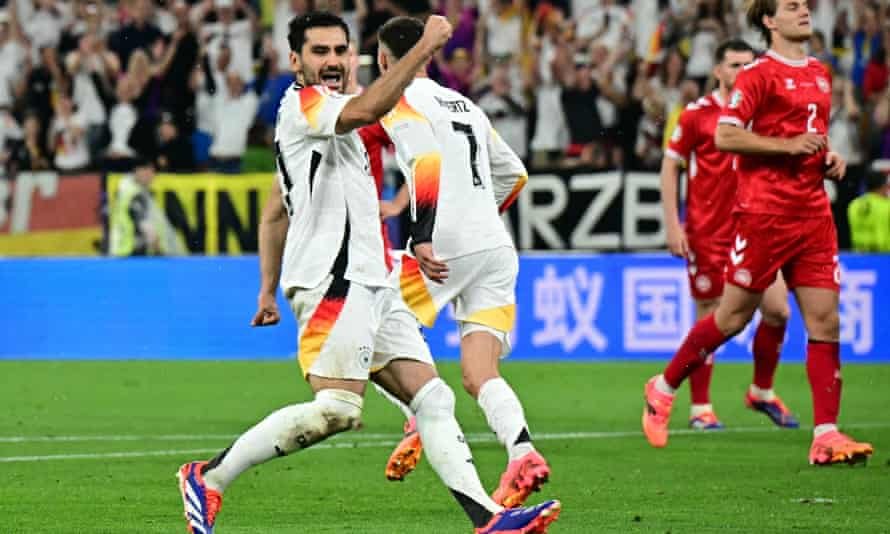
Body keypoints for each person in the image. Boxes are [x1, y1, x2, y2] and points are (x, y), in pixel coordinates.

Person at [175, 12, 561, 534]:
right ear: (295, 61)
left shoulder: (341, 118)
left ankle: (489, 520)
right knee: (337, 408)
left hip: (373, 280)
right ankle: (208, 478)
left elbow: (275, 210)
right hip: (333, 281)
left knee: (434, 397)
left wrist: (266, 288)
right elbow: (370, 108)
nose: (333, 60)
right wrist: (423, 48)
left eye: (341, 50)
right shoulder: (304, 105)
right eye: (320, 51)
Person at [642, 0, 874, 466]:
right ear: (770, 21)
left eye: (805, 5)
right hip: (763, 215)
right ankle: (664, 386)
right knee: (730, 317)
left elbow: (813, 136)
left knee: (825, 320)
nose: (804, 11)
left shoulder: (820, 74)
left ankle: (825, 434)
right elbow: (727, 136)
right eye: (792, 6)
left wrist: (828, 158)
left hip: (813, 214)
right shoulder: (757, 75)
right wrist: (788, 147)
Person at [373, 16, 545, 510]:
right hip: (494, 246)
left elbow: (425, 162)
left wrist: (423, 234)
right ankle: (522, 451)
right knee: (480, 372)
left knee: (362, 324)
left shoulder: (399, 99)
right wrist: (480, 218)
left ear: (384, 60)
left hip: (443, 244)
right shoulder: (464, 104)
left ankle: (417, 415)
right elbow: (514, 173)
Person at [661, 39, 799, 431]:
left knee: (778, 310)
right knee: (711, 315)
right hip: (708, 232)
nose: (742, 72)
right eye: (734, 65)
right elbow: (670, 167)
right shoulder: (696, 114)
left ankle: (762, 391)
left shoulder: (762, 114)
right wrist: (673, 223)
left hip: (757, 230)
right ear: (718, 71)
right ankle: (700, 408)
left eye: (748, 65)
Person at [848, 170, 890, 252]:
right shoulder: (887, 206)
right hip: (884, 254)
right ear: (883, 186)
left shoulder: (853, 205)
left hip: (859, 253)